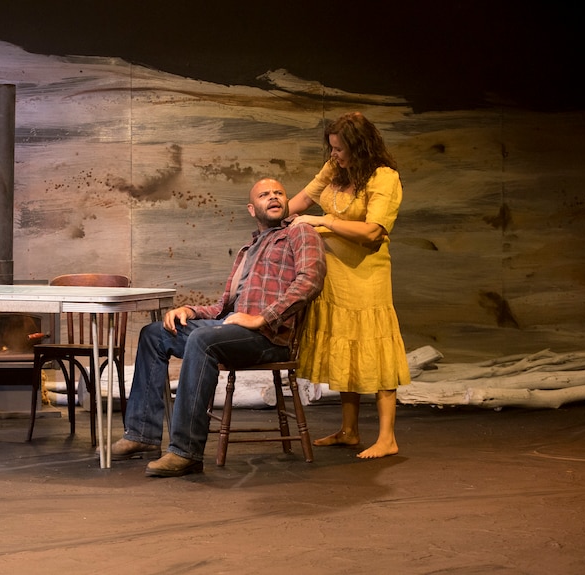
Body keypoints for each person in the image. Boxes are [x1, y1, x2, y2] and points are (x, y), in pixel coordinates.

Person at [111, 177, 326, 477]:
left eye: (279, 193)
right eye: (265, 195)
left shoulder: (299, 232)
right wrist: (190, 310)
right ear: (252, 209)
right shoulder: (247, 250)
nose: (274, 197)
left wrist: (262, 318)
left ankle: (186, 451)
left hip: (269, 337)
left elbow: (310, 281)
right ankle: (142, 436)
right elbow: (224, 306)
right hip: (234, 329)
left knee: (202, 339)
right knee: (155, 334)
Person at [287, 112, 410, 459]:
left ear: (360, 146)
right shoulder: (335, 169)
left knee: (375, 348)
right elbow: (302, 200)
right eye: (332, 149)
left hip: (365, 275)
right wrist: (274, 213)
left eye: (340, 149)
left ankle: (387, 437)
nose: (334, 155)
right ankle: (349, 430)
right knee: (346, 351)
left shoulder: (384, 178)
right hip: (334, 274)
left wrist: (323, 222)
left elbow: (373, 231)